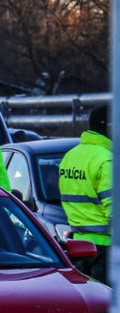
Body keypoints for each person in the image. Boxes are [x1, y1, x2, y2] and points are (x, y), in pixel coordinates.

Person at [59, 105, 112, 284]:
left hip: (78, 244)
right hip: (104, 246)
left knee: (87, 295)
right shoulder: (106, 159)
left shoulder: (70, 156)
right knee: (106, 297)